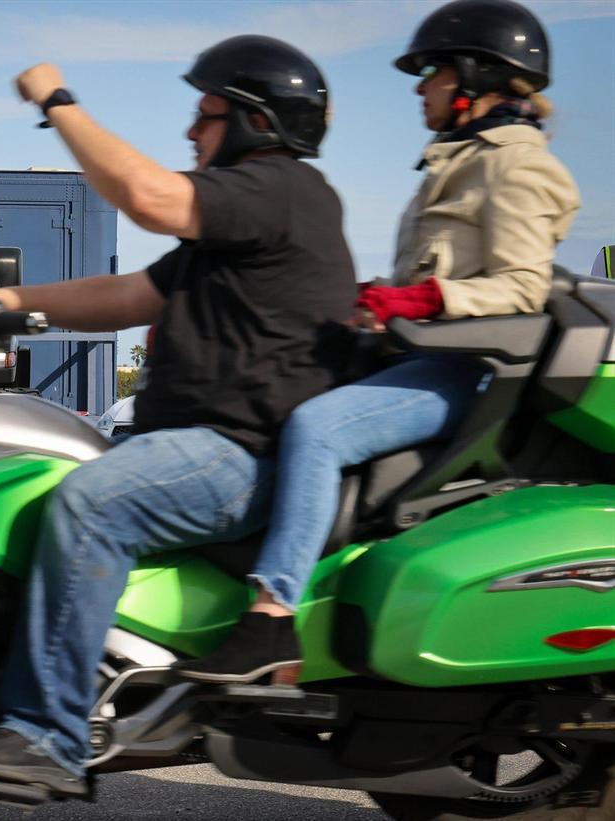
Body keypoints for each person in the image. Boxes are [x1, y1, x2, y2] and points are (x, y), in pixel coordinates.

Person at [0, 36, 357, 796]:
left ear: (255, 124)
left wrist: (56, 101)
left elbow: (148, 197)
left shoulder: (279, 190)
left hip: (239, 453)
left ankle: (48, 734)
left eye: (204, 116)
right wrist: (4, 304)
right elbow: (132, 295)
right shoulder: (236, 225)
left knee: (90, 503)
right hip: (193, 441)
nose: (190, 132)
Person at [173, 0, 580, 685]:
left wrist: (423, 299)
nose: (421, 86)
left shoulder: (516, 166)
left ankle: (272, 618)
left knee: (318, 428)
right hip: (415, 354)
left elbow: (521, 287)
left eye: (433, 73)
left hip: (462, 371)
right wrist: (379, 302)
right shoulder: (459, 160)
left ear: (477, 77)